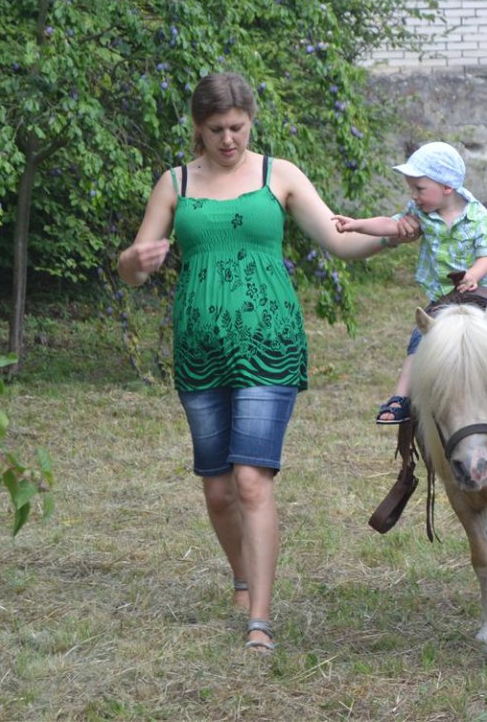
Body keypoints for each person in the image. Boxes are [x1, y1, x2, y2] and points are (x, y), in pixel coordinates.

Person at [117, 72, 392, 654]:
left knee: (250, 479)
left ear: (251, 122)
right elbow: (134, 269)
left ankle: (260, 622)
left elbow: (339, 240)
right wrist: (134, 261)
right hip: (199, 350)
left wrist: (392, 234)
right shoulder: (175, 183)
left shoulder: (279, 175)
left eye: (237, 128)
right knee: (218, 490)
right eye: (216, 129)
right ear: (198, 128)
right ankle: (241, 578)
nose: (228, 140)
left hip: (269, 343)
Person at [332, 141, 487, 424]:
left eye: (419, 188)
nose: (414, 195)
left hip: (485, 288)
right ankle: (401, 397)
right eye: (412, 189)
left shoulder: (477, 215)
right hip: (445, 298)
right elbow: (390, 224)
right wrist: (356, 224)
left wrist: (474, 275)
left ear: (446, 187)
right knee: (420, 342)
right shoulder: (420, 213)